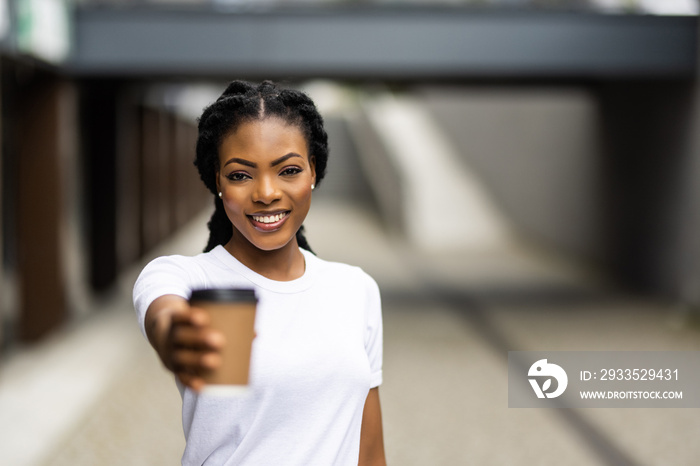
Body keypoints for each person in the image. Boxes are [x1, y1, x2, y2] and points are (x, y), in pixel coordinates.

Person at [132, 80, 386, 465]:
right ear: (217, 179)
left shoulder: (355, 289)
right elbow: (163, 314)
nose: (266, 192)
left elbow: (369, 451)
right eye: (240, 174)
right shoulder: (187, 278)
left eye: (288, 170)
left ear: (312, 171)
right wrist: (175, 336)